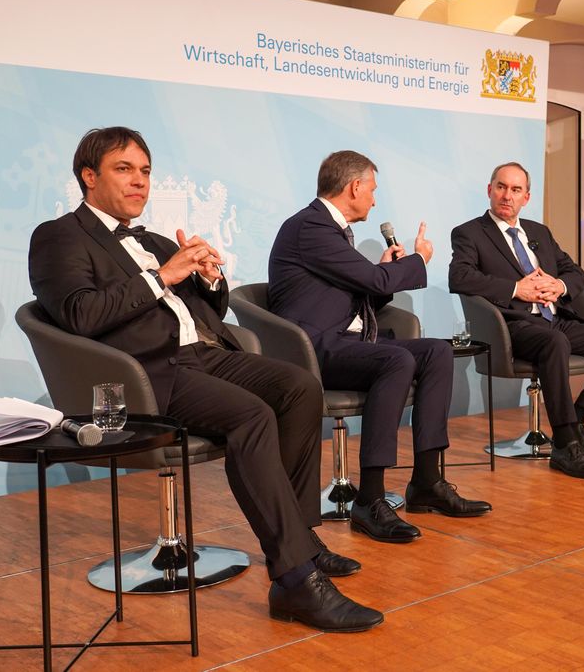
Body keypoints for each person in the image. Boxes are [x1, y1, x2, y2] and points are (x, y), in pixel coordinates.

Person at [28, 127, 381, 633]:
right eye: (124, 170)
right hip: (146, 374)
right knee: (252, 416)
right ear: (88, 176)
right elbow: (80, 315)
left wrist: (210, 279)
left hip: (206, 354)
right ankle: (295, 579)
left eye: (145, 171)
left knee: (301, 386)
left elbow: (203, 312)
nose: (139, 182)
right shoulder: (58, 235)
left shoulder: (150, 239)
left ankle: (303, 536)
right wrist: (162, 276)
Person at [268, 150, 491, 544]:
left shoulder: (330, 231)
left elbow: (360, 290)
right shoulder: (310, 227)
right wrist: (418, 260)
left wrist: (384, 271)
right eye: (372, 189)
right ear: (354, 187)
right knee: (396, 359)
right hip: (312, 348)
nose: (374, 198)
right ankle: (369, 499)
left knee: (436, 351)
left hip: (344, 339)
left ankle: (427, 481)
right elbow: (370, 281)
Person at [448, 162, 584, 479]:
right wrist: (515, 289)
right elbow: (460, 276)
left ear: (527, 197)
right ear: (489, 190)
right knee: (555, 342)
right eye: (501, 187)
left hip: (556, 319)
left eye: (516, 189)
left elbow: (574, 272)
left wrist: (559, 285)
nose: (507, 195)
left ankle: (575, 424)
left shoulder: (539, 232)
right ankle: (565, 445)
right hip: (513, 326)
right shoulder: (470, 233)